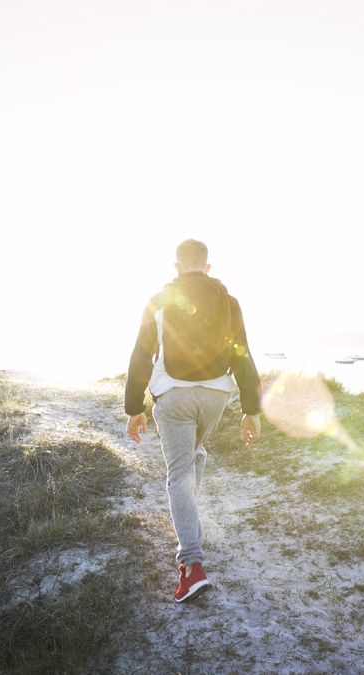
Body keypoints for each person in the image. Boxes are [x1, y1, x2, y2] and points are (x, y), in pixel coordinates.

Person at [125, 239, 262, 603]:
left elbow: (142, 355)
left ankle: (191, 567)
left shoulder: (158, 301)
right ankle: (192, 530)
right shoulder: (229, 303)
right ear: (207, 267)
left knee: (180, 474)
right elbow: (243, 355)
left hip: (174, 397)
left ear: (176, 266)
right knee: (195, 456)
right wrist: (251, 410)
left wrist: (134, 407)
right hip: (216, 397)